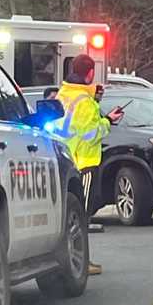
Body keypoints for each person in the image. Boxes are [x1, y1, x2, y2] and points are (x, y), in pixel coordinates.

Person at [56, 55, 123, 275]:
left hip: (64, 161)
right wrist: (109, 121)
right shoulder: (84, 102)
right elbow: (90, 134)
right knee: (81, 217)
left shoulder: (64, 94)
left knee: (69, 216)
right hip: (84, 163)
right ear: (90, 73)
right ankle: (82, 263)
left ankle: (70, 261)